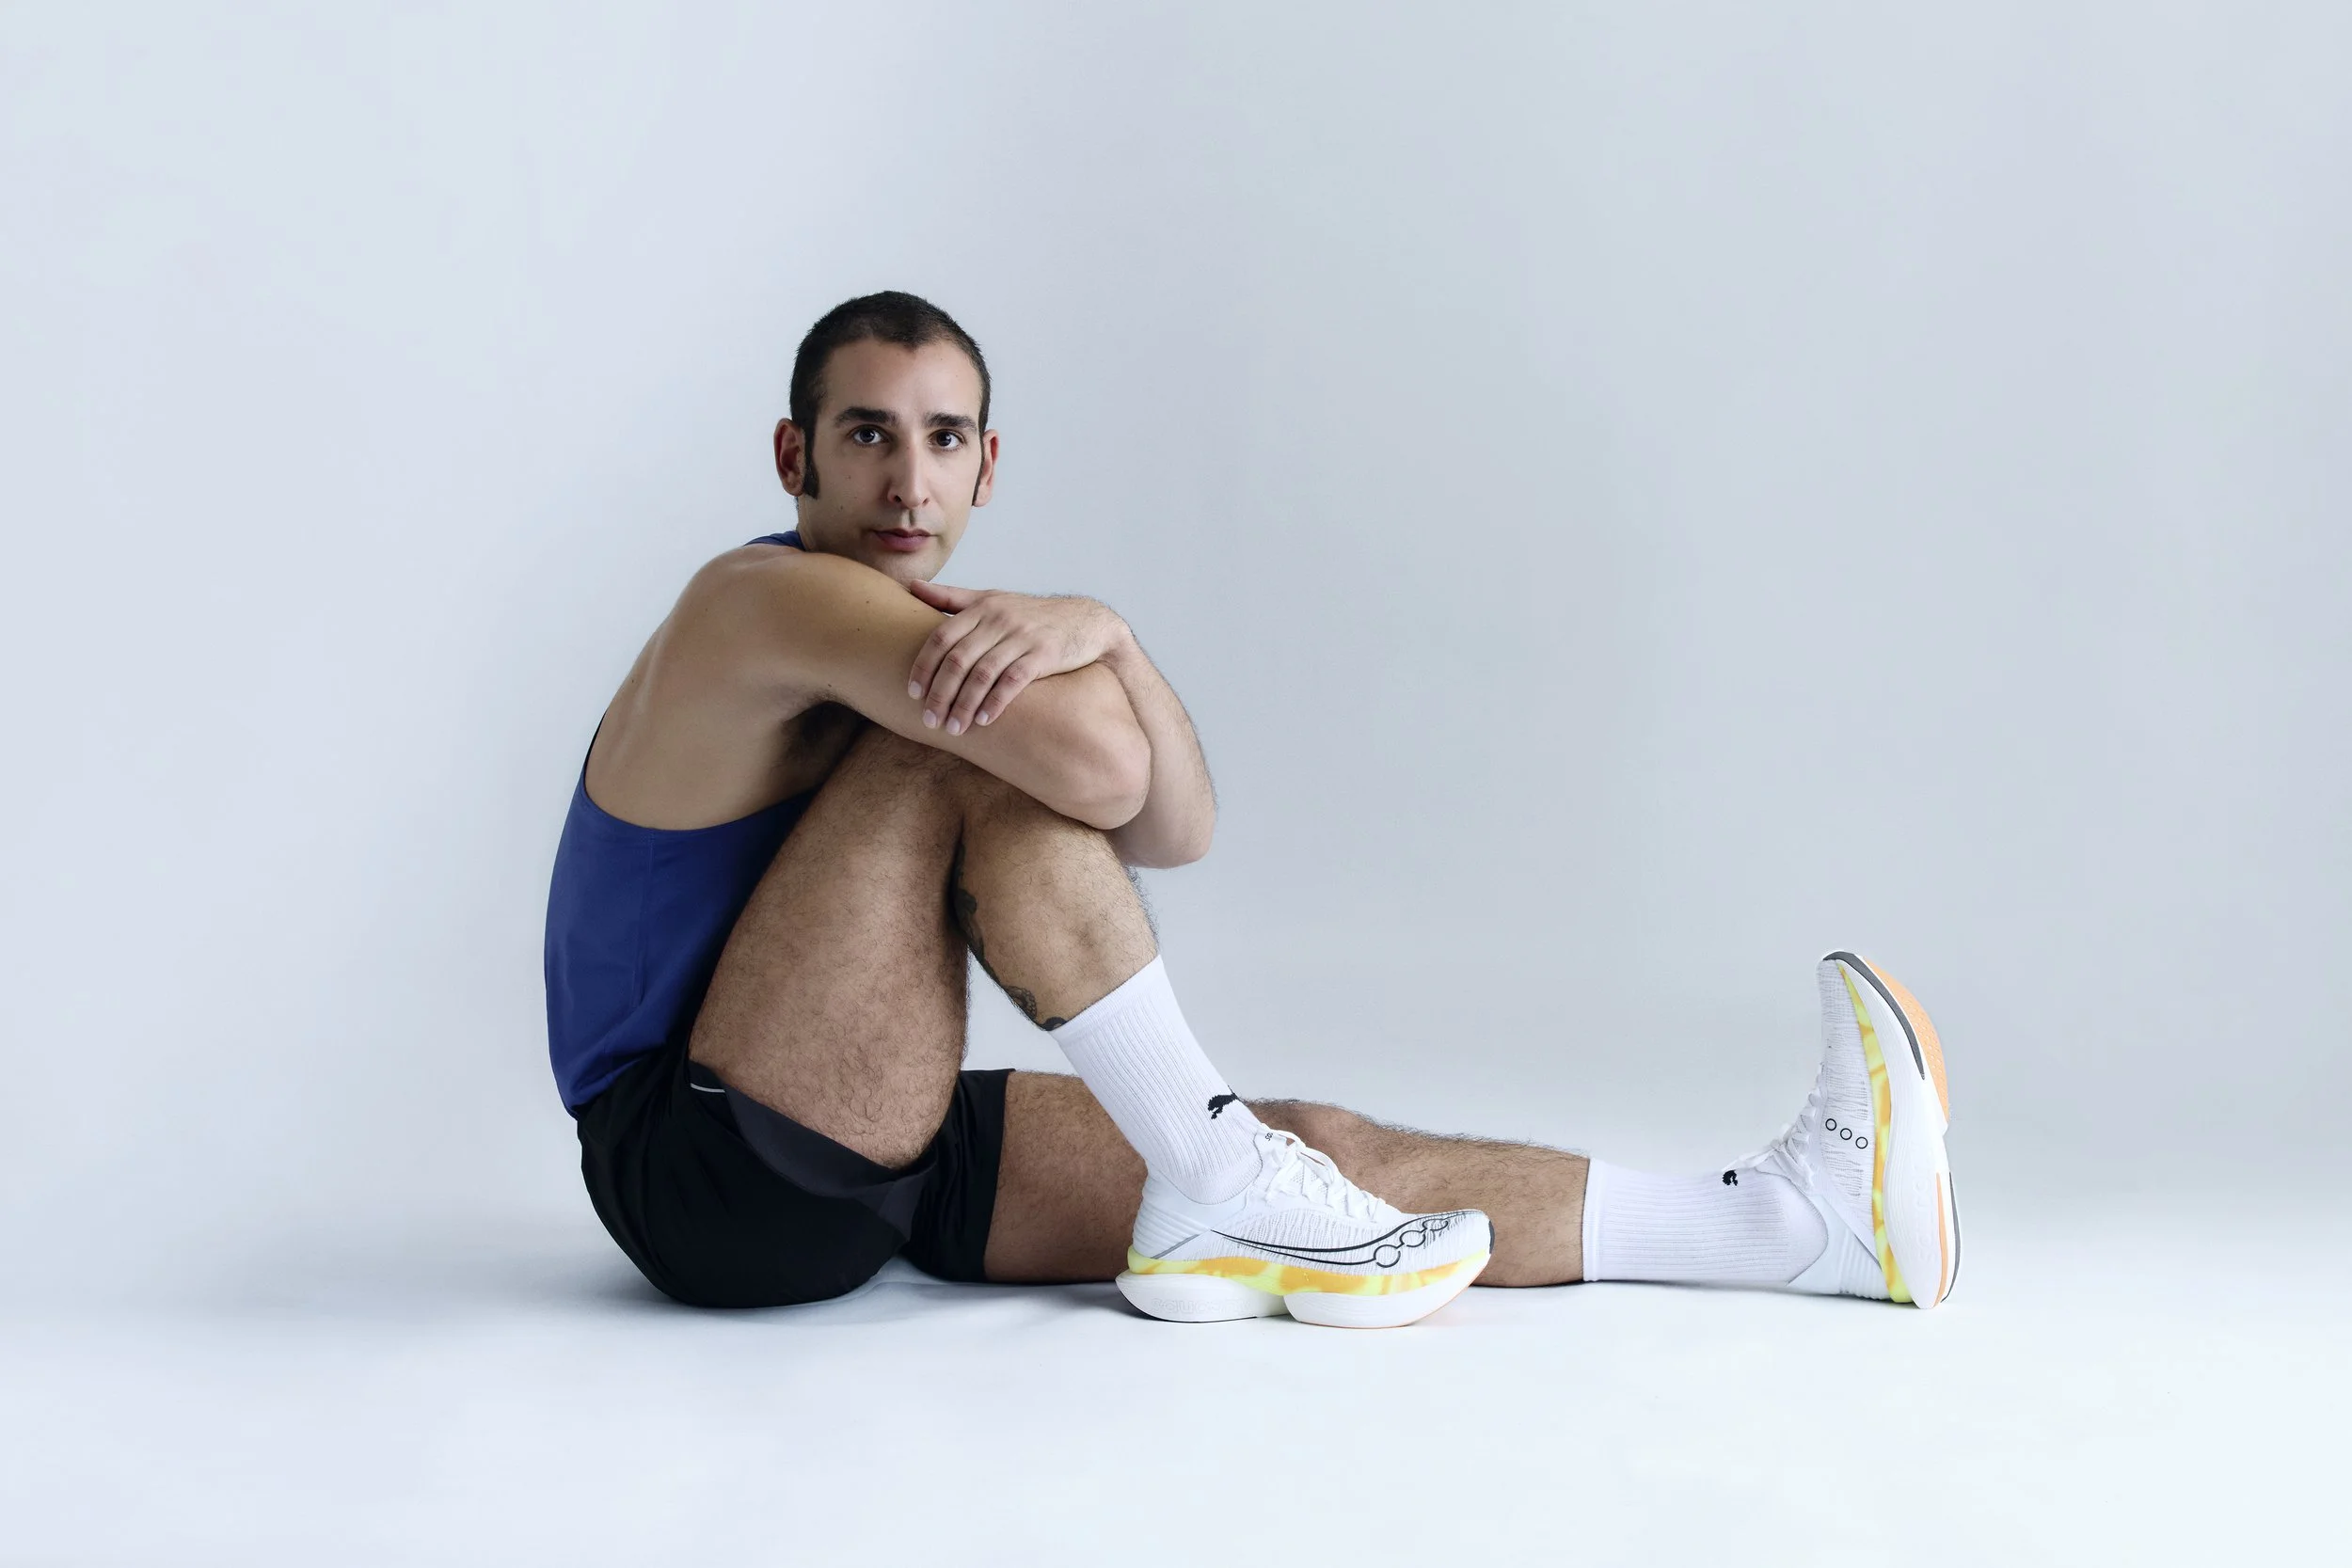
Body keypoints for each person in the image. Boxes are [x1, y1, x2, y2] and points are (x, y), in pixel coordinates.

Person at [544, 291, 1960, 1328]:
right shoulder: (759, 603)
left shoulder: (956, 628)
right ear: (794, 458)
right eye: (866, 436)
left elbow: (1177, 830)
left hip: (846, 1138)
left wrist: (1112, 633)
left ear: (989, 464)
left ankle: (1793, 1226)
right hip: (697, 1160)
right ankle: (1217, 1167)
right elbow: (1105, 782)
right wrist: (1087, 664)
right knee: (963, 749)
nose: (908, 479)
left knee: (1309, 1146)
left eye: (943, 438)